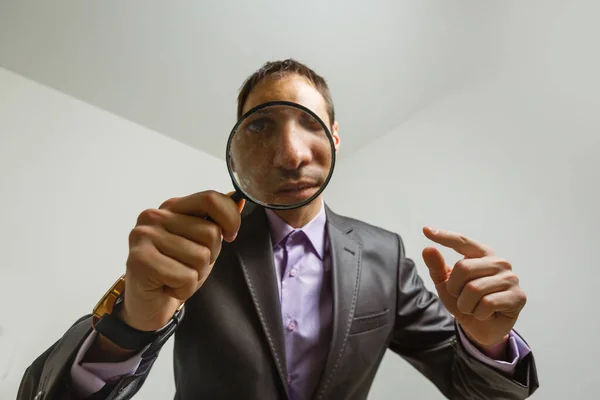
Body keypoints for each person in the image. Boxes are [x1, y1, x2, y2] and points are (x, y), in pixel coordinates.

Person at [17, 59, 539, 400]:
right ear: (238, 147)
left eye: (310, 124)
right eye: (261, 126)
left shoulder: (385, 254)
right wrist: (131, 324)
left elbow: (479, 390)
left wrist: (488, 342)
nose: (290, 155)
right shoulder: (196, 244)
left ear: (335, 138)